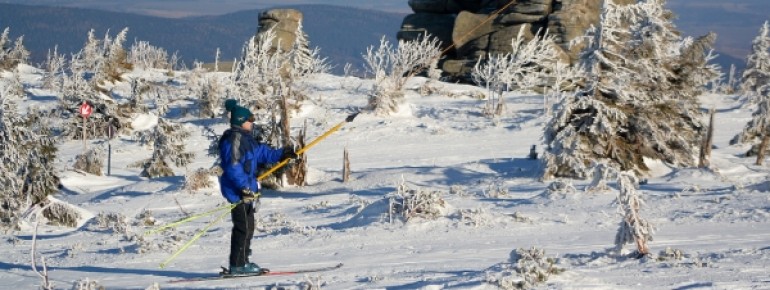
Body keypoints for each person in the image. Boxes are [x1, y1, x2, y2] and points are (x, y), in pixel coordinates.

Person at [218, 105, 297, 275]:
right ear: (241, 121)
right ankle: (237, 265)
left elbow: (263, 153)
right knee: (242, 227)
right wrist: (244, 188)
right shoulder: (234, 140)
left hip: (247, 189)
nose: (252, 123)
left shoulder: (246, 139)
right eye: (250, 120)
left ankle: (243, 261)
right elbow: (232, 167)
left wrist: (283, 153)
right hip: (237, 191)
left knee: (249, 226)